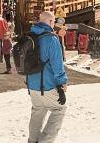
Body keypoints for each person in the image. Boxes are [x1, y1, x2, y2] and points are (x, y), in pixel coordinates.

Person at [27, 11, 69, 143]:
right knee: (59, 110)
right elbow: (57, 65)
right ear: (51, 22)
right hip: (47, 85)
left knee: (38, 111)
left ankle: (32, 141)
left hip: (32, 84)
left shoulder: (31, 35)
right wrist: (62, 83)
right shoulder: (51, 39)